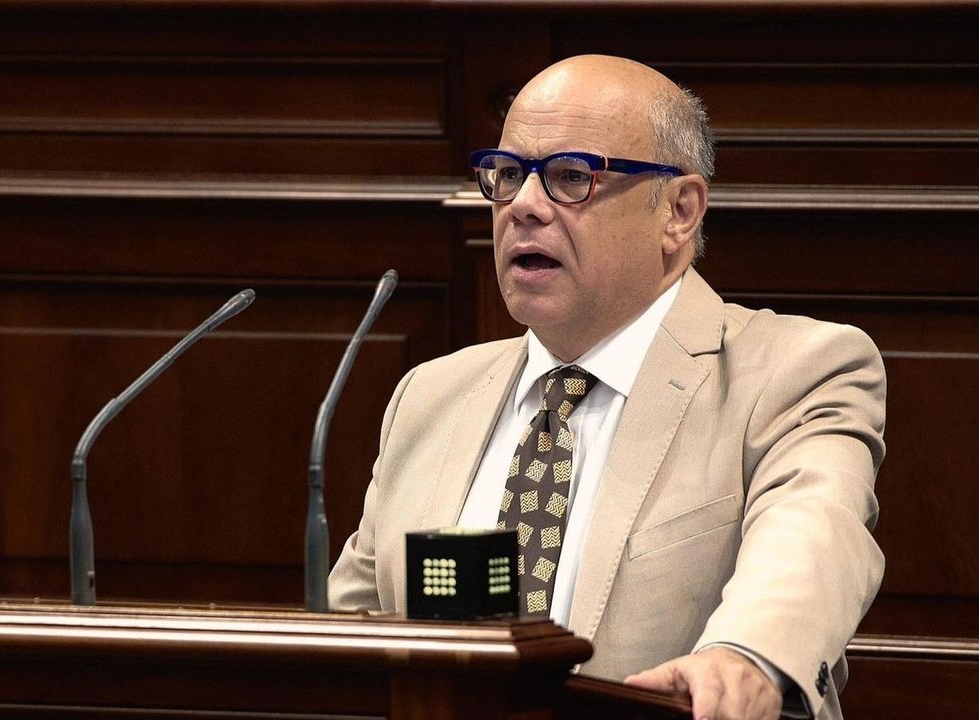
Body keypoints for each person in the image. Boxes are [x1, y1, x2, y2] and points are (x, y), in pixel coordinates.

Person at [328, 54, 885, 720]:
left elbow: (814, 538)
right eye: (507, 176)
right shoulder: (431, 395)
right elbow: (345, 641)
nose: (524, 207)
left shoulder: (794, 371)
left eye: (570, 177)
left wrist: (746, 656)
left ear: (679, 211)